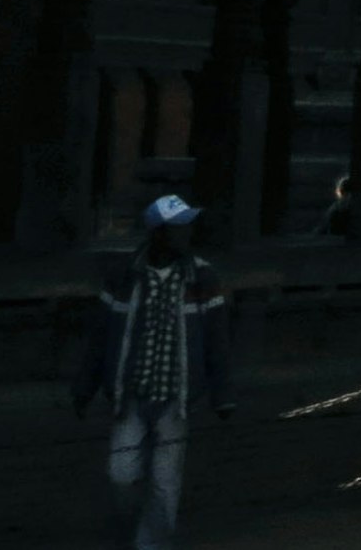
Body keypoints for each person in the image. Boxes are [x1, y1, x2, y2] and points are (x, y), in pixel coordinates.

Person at [70, 193, 232, 550]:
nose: (187, 235)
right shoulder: (125, 276)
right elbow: (100, 337)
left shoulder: (202, 275)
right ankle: (132, 532)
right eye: (179, 228)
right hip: (130, 396)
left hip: (176, 397)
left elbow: (217, 341)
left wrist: (223, 396)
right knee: (121, 475)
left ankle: (151, 545)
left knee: (165, 482)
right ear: (158, 233)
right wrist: (85, 387)